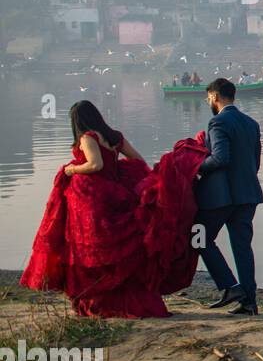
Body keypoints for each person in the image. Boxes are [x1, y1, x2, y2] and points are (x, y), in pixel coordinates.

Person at [20, 101, 204, 318]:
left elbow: (95, 164)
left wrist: (71, 169)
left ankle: (99, 298)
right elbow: (138, 160)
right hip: (117, 194)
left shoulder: (87, 137)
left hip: (92, 200)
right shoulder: (115, 136)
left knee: (93, 250)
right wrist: (118, 171)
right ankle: (121, 297)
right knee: (118, 248)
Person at [196, 78, 263, 316]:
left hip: (222, 197)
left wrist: (195, 167)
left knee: (198, 235)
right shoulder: (251, 123)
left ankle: (229, 286)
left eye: (208, 98)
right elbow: (255, 163)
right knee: (243, 247)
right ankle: (249, 302)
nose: (208, 102)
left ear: (214, 96)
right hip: (248, 194)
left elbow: (220, 158)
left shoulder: (217, 122)